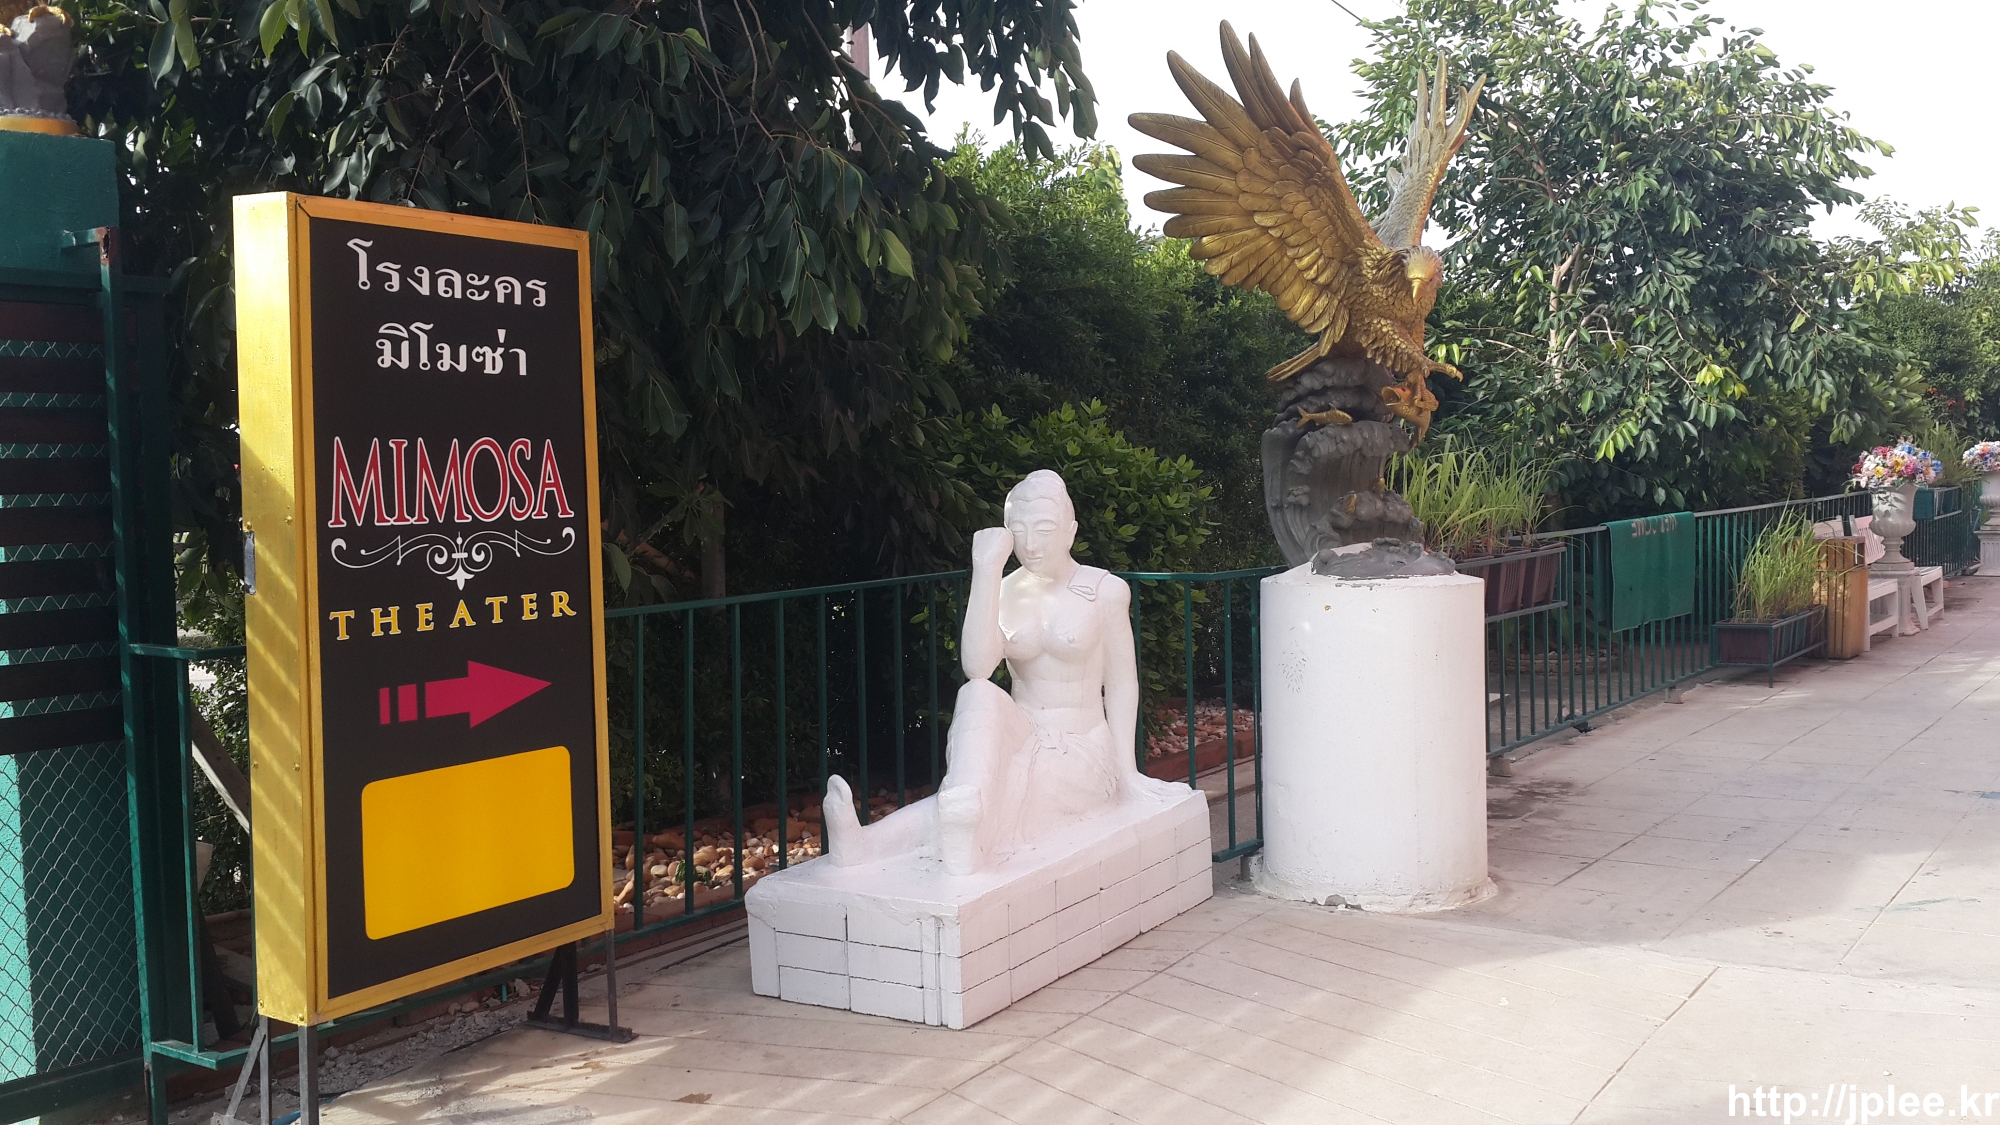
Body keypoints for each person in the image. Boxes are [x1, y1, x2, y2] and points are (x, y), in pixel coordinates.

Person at [822, 470, 1179, 874]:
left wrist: (1127, 771)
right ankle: (951, 816)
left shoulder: (1103, 590)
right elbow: (977, 667)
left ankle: (877, 841)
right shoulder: (1005, 590)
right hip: (1020, 733)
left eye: (1044, 530)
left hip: (1082, 746)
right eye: (1018, 531)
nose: (1031, 543)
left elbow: (1121, 682)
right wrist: (986, 570)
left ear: (1070, 531)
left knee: (1002, 789)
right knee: (977, 694)